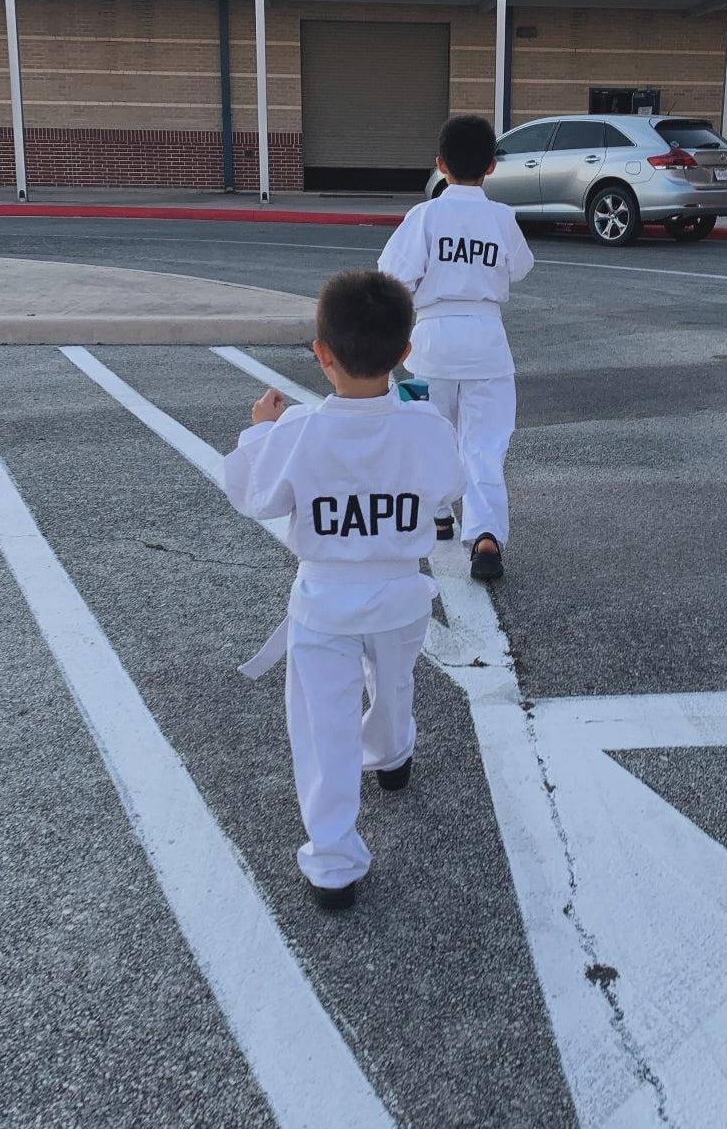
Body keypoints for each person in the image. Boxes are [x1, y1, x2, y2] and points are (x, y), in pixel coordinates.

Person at [224, 270, 465, 911]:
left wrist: (257, 431)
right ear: (405, 352)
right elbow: (449, 487)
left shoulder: (298, 432)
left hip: (324, 603)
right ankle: (391, 754)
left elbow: (252, 495)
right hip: (399, 597)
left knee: (322, 729)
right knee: (394, 685)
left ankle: (333, 861)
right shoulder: (426, 427)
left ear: (321, 354)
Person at [378, 113, 534, 581]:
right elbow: (520, 268)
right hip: (486, 341)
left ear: (440, 164)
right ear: (491, 166)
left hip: (431, 343)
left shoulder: (424, 217)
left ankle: (440, 513)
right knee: (484, 445)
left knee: (433, 435)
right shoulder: (502, 218)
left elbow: (391, 277)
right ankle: (486, 538)